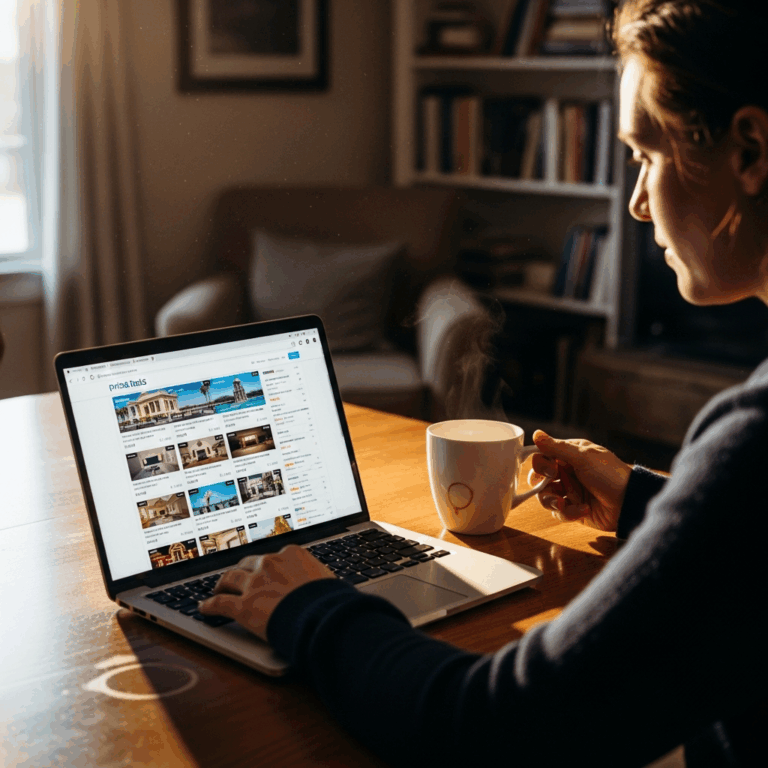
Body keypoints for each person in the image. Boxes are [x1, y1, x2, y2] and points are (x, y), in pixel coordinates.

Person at [200, 1, 768, 765]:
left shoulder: (753, 440)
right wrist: (644, 497)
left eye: (645, 154)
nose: (636, 202)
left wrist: (310, 605)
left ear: (752, 149)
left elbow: (495, 729)